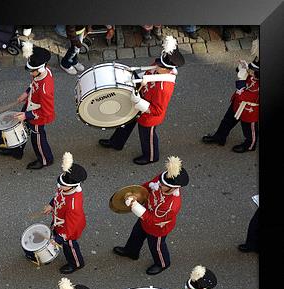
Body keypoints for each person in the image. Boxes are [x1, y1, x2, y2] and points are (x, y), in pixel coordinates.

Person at [99, 35, 184, 165]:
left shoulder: (164, 87)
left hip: (149, 114)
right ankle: (116, 142)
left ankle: (151, 156)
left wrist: (139, 102)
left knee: (146, 135)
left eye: (160, 65)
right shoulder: (158, 67)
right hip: (139, 99)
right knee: (125, 122)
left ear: (167, 69)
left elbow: (157, 110)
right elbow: (146, 75)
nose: (156, 65)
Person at [113, 156, 189, 275]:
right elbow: (147, 187)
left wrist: (134, 205)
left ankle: (162, 263)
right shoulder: (162, 181)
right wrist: (135, 195)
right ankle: (131, 251)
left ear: (173, 188)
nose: (159, 184)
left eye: (163, 185)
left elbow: (152, 220)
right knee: (136, 234)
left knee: (156, 247)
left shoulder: (171, 205)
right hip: (146, 213)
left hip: (158, 227)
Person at [0, 41, 54, 169]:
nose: (30, 73)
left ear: (40, 68)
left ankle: (45, 159)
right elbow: (34, 84)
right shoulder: (41, 73)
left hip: (37, 115)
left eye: (32, 71)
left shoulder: (45, 89)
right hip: (31, 105)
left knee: (37, 138)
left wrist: (27, 115)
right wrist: (26, 93)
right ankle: (17, 150)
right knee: (21, 127)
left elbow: (46, 111)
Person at [202, 39, 259, 153]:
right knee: (227, 120)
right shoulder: (255, 71)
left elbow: (243, 93)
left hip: (249, 109)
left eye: (253, 71)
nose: (250, 71)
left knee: (249, 129)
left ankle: (250, 145)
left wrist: (241, 80)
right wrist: (242, 68)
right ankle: (220, 136)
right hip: (238, 102)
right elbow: (250, 71)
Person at [40, 152, 87, 274]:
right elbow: (58, 196)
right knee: (53, 235)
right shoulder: (65, 188)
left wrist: (61, 238)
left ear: (72, 186)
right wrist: (51, 205)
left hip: (69, 229)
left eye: (62, 185)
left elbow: (71, 227)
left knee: (69, 246)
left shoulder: (73, 206)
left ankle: (76, 263)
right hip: (59, 220)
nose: (59, 186)